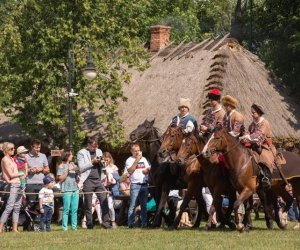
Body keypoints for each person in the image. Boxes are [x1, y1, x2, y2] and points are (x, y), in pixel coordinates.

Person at [77, 136, 111, 229]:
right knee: (88, 203)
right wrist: (92, 161)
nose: (95, 148)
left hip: (98, 180)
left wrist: (103, 164)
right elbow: (81, 168)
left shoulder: (99, 151)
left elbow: (102, 166)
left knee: (104, 200)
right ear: (88, 145)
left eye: (96, 146)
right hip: (88, 180)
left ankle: (106, 223)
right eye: (93, 146)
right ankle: (89, 223)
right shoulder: (81, 153)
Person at [240, 104, 276, 189]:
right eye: (251, 112)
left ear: (259, 113)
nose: (252, 114)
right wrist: (244, 136)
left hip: (266, 146)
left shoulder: (264, 123)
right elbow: (248, 132)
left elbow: (260, 133)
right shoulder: (252, 124)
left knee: (263, 157)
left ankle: (266, 177)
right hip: (254, 146)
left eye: (253, 112)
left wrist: (248, 137)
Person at [124, 143, 151, 228]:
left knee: (144, 205)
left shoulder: (144, 159)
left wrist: (147, 171)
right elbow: (130, 171)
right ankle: (130, 223)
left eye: (138, 150)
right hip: (135, 185)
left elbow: (147, 169)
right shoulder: (129, 160)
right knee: (132, 205)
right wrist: (137, 160)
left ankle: (144, 223)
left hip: (144, 184)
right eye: (135, 151)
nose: (137, 152)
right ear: (131, 151)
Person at [0, 142, 24, 233]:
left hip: (19, 184)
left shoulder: (12, 159)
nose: (14, 150)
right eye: (12, 149)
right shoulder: (5, 160)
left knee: (17, 207)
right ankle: (0, 228)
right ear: (6, 150)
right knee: (9, 207)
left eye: (14, 148)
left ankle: (15, 229)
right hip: (13, 185)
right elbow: (10, 174)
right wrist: (21, 173)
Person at [57, 150, 79, 231]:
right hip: (66, 190)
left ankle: (74, 227)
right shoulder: (61, 166)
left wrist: (78, 171)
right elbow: (60, 179)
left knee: (74, 210)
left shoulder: (73, 164)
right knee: (66, 209)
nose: (72, 156)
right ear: (67, 156)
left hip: (75, 189)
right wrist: (68, 171)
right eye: (71, 155)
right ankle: (64, 228)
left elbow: (78, 176)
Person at [102, 152, 120, 228]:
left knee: (110, 206)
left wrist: (111, 176)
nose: (106, 160)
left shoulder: (114, 167)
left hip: (110, 188)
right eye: (104, 159)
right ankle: (103, 222)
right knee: (101, 206)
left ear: (110, 158)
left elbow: (118, 178)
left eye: (107, 159)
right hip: (102, 187)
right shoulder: (100, 167)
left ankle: (113, 221)